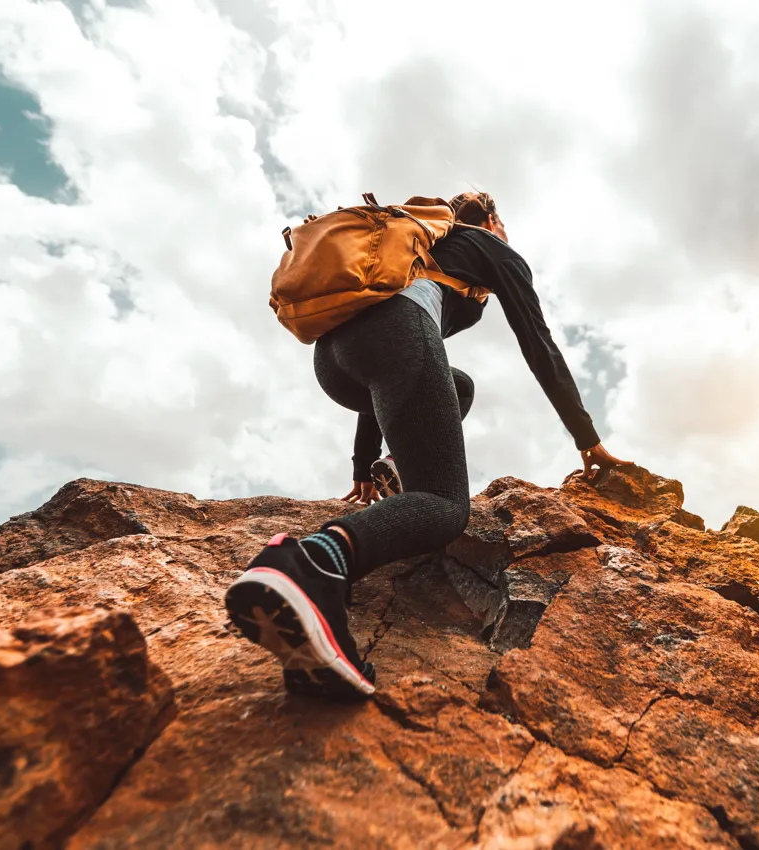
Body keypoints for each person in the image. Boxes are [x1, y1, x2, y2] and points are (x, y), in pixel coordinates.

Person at [224, 192, 629, 700]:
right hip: (396, 335)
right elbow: (538, 343)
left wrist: (363, 466)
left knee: (457, 386)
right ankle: (311, 566)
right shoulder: (491, 247)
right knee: (442, 505)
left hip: (334, 358)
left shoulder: (425, 246)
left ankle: (314, 644)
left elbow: (383, 366)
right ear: (494, 221)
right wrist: (586, 436)